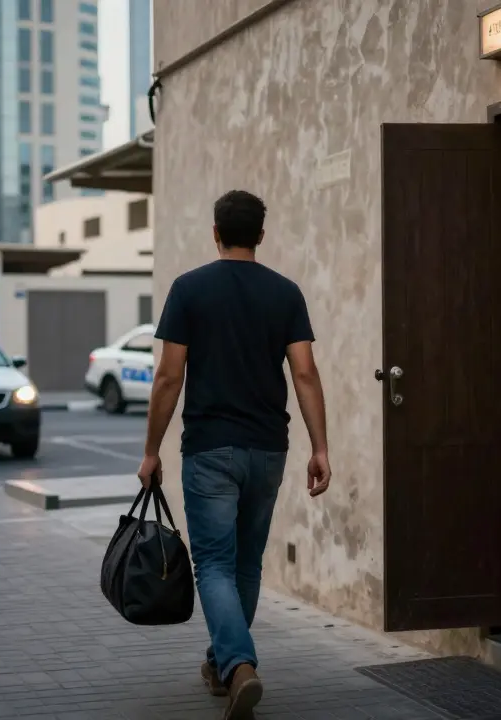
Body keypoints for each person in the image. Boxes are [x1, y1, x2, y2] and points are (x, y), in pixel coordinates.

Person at [137, 189, 331, 720]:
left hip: (209, 450)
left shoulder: (189, 290)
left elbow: (168, 377)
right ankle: (221, 663)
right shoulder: (286, 292)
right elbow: (306, 373)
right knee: (246, 563)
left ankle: (240, 664)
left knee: (215, 565)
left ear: (216, 232)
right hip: (269, 448)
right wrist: (320, 447)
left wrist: (151, 450)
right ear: (260, 236)